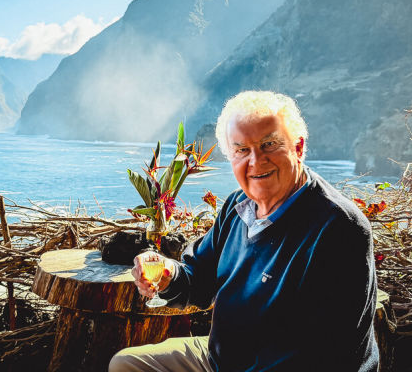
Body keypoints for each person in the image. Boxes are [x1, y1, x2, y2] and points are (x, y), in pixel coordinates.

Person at [109, 90, 379, 371]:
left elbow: (328, 353)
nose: (256, 161)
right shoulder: (238, 206)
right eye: (241, 150)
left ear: (298, 148)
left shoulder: (339, 227)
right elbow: (198, 279)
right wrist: (168, 275)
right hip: (223, 360)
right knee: (127, 365)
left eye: (269, 144)